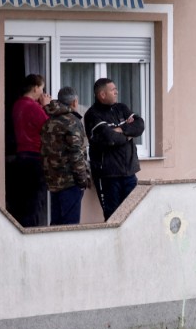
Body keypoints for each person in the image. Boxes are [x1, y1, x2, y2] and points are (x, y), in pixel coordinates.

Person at [83, 78, 145, 221]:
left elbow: (140, 125)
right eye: (113, 90)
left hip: (129, 172)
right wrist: (128, 134)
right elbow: (109, 138)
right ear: (102, 95)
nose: (116, 92)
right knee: (113, 216)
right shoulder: (92, 115)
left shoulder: (121, 108)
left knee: (133, 213)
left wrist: (120, 130)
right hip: (108, 176)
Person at [40, 87, 91, 225]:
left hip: (53, 180)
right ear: (75, 102)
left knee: (56, 224)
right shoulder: (72, 121)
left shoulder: (49, 120)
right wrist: (82, 179)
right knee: (70, 226)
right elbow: (76, 153)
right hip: (70, 181)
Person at [10, 74, 51, 227]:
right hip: (35, 158)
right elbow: (48, 127)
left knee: (23, 202)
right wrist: (46, 106)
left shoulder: (18, 105)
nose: (43, 92)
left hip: (21, 157)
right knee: (34, 203)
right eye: (42, 88)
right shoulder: (32, 106)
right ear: (35, 88)